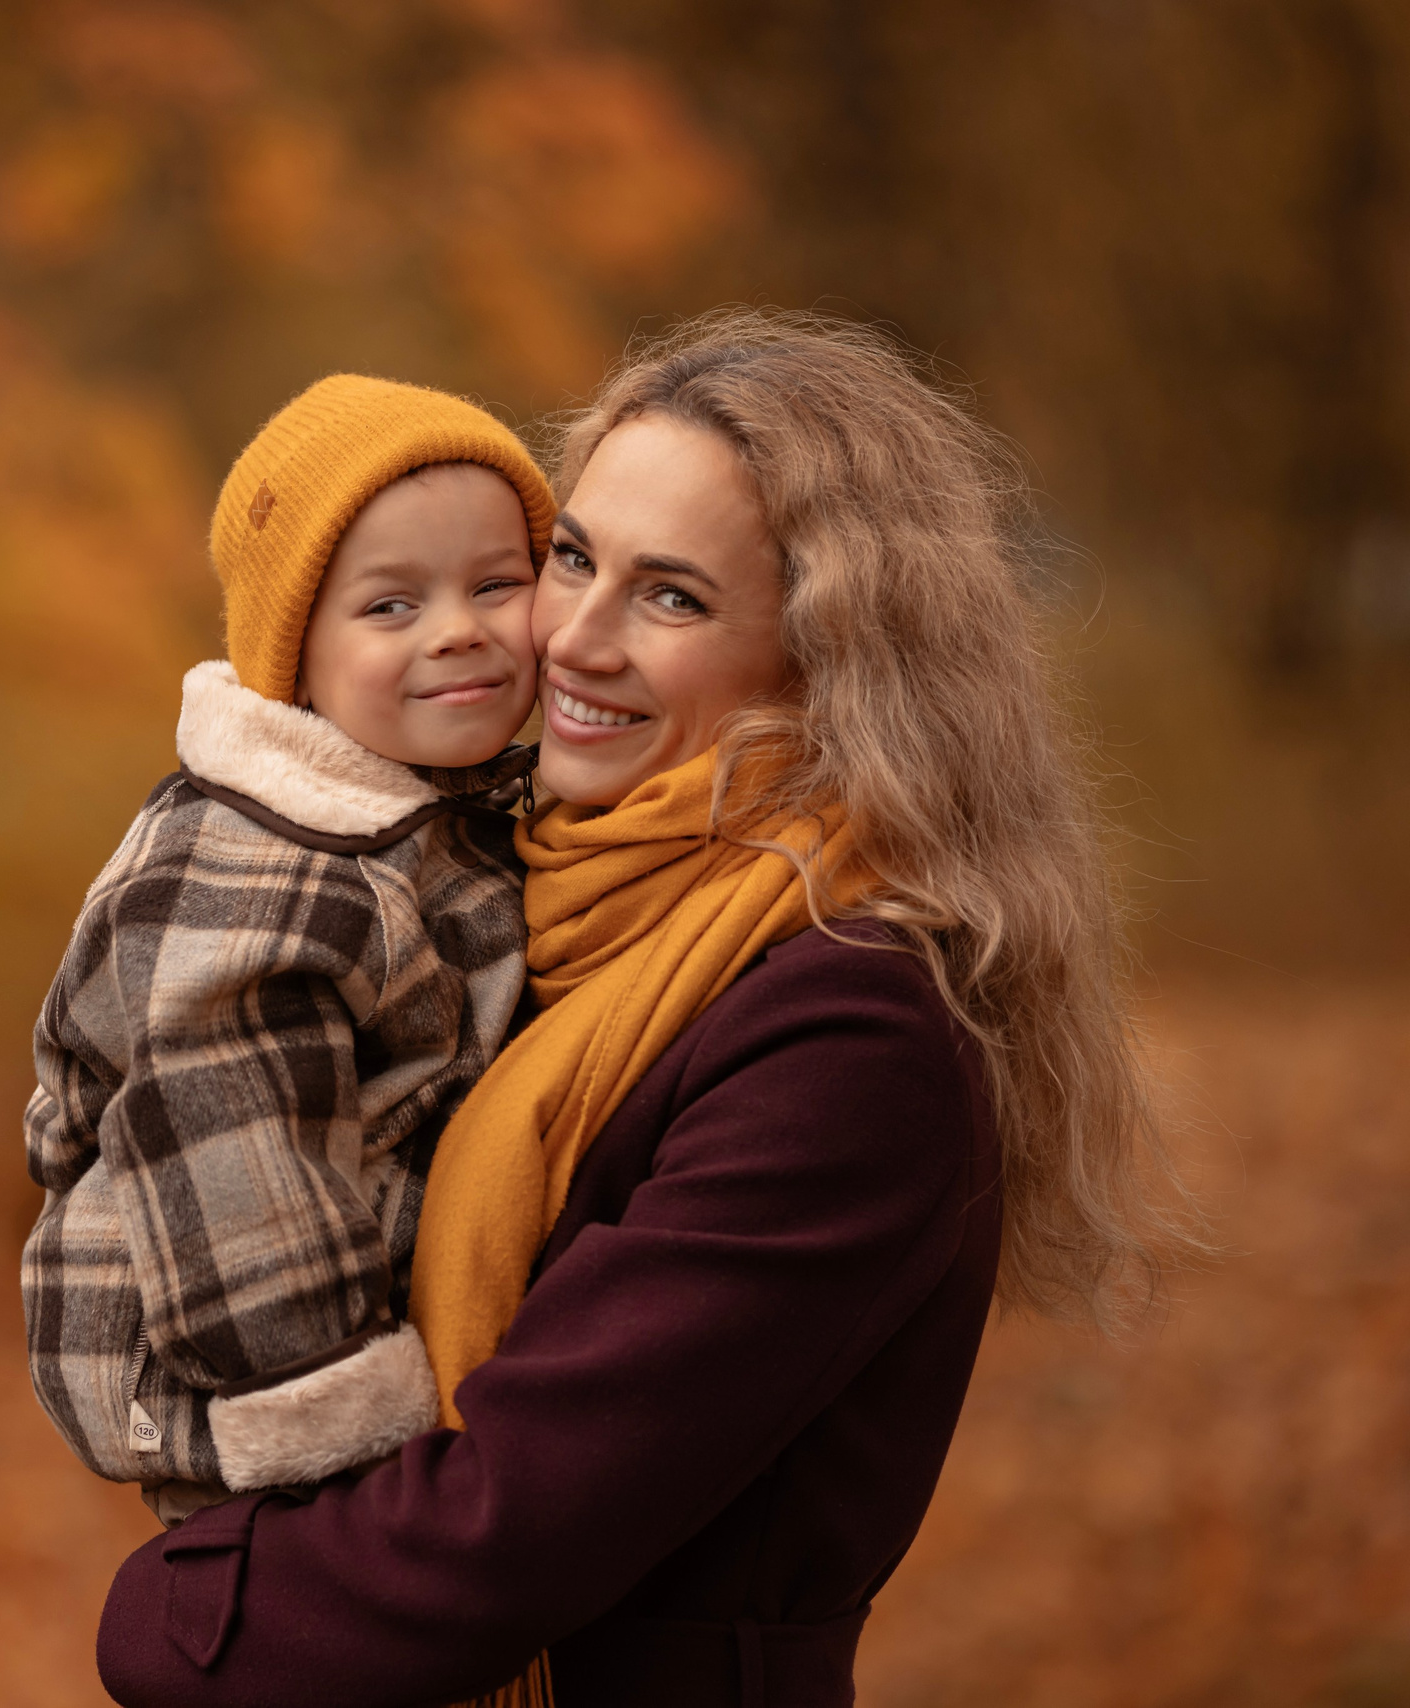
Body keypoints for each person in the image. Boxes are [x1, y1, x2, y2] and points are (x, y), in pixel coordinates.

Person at [95, 310, 1200, 1706]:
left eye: (672, 597)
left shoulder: (853, 1031)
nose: (573, 639)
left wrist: (169, 1619)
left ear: (827, 657)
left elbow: (504, 1527)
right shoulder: (523, 909)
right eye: (572, 558)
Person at [24, 375, 558, 1524]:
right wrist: (348, 1428)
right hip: (232, 1373)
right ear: (294, 654)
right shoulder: (256, 869)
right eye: (389, 606)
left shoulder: (435, 812)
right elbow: (234, 1171)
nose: (456, 628)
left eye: (496, 584)